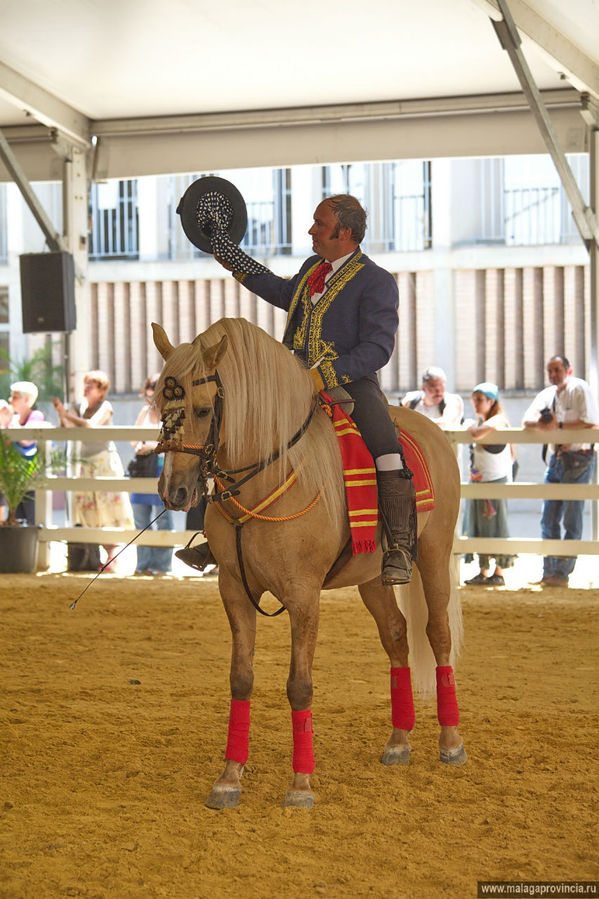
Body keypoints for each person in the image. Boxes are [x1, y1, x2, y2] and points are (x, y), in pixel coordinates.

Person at [204, 193, 416, 585]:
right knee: (231, 430)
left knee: (386, 449)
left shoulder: (376, 282)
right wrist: (233, 258)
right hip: (291, 381)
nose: (311, 231)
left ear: (345, 233)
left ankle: (399, 546)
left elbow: (377, 349)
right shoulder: (312, 268)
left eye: (320, 225)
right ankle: (219, 531)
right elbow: (282, 293)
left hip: (350, 384)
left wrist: (326, 375)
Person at [522, 354, 599, 587]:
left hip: (579, 457)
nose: (553, 375)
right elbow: (527, 421)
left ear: (569, 370)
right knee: (549, 517)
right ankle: (550, 572)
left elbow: (592, 422)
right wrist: (544, 425)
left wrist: (560, 426)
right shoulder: (547, 394)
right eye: (550, 371)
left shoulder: (580, 389)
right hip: (557, 458)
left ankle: (562, 574)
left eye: (557, 370)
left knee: (571, 518)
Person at [52, 370, 134, 573]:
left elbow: (91, 425)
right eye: (86, 383)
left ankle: (111, 557)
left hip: (102, 462)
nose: (86, 387)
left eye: (91, 384)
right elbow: (68, 427)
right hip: (85, 463)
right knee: (89, 511)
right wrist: (62, 415)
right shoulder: (80, 407)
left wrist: (66, 414)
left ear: (101, 390)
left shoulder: (106, 406)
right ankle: (95, 556)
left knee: (107, 509)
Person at [463, 382, 515, 586]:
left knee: (497, 524)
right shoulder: (485, 421)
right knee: (481, 524)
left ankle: (499, 570)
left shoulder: (499, 420)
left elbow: (476, 433)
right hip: (481, 479)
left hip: (495, 479)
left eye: (480, 400)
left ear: (491, 401)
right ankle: (484, 570)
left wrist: (469, 425)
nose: (475, 403)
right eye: (474, 399)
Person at [130, 374, 173, 576]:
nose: (150, 392)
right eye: (149, 387)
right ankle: (143, 563)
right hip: (143, 468)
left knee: (162, 518)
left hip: (161, 467)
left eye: (155, 387)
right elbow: (133, 440)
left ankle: (162, 565)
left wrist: (151, 446)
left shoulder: (172, 413)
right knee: (140, 517)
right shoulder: (144, 412)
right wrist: (141, 446)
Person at [7, 381, 46, 524]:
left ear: (27, 400)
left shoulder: (36, 416)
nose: (11, 401)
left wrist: (11, 422)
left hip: (31, 475)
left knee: (33, 517)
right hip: (14, 476)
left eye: (16, 397)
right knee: (17, 516)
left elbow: (26, 440)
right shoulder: (14, 419)